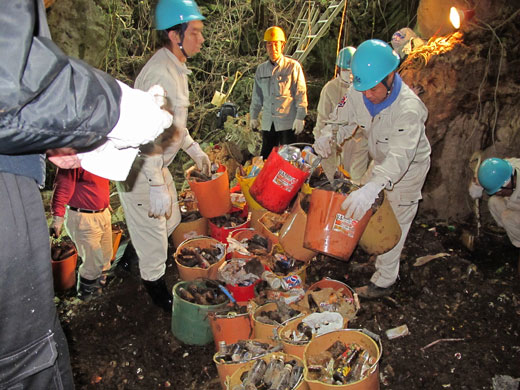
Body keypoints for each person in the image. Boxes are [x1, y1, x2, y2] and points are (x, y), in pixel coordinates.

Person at [0, 1, 172, 388]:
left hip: (91, 208)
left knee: (100, 257)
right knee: (29, 359)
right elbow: (13, 78)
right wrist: (115, 112)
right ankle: (89, 295)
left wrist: (54, 140)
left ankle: (95, 289)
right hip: (48, 206)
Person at [313, 39, 431, 299]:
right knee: (362, 206)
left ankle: (385, 279)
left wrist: (374, 187)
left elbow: (399, 158)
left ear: (390, 77)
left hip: (408, 168)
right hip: (379, 160)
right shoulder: (361, 88)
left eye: (373, 89)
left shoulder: (408, 110)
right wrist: (328, 134)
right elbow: (342, 114)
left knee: (393, 222)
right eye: (362, 88)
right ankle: (371, 249)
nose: (367, 95)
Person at [116, 0, 211, 313]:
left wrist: (193, 149)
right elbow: (149, 135)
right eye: (195, 32)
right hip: (141, 168)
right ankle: (158, 295)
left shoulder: (176, 68)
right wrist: (156, 183)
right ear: (175, 34)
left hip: (155, 164)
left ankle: (132, 256)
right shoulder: (161, 75)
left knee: (172, 218)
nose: (200, 38)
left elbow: (173, 126)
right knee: (156, 234)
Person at [50, 168, 113, 300]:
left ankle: (100, 288)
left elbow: (99, 182)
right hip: (83, 217)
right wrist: (58, 218)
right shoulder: (75, 157)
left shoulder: (99, 156)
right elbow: (63, 185)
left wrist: (104, 201)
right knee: (92, 262)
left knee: (106, 255)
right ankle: (86, 297)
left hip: (103, 213)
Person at [249, 26, 308, 159]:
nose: (273, 49)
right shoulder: (261, 70)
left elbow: (301, 93)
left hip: (288, 122)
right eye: (269, 45)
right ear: (265, 47)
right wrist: (253, 116)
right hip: (268, 123)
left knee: (290, 159)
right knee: (266, 158)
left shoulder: (293, 67)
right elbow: (257, 96)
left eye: (276, 44)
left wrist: (300, 117)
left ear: (282, 46)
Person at [313, 46, 369, 182]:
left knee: (356, 180)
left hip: (359, 142)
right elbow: (322, 119)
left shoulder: (363, 89)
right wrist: (320, 140)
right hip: (336, 142)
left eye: (351, 70)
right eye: (345, 70)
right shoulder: (330, 89)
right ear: (338, 68)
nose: (349, 74)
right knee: (336, 179)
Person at [469, 157, 520, 266]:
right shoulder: (506, 168)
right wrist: (477, 183)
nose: (498, 193)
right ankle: (512, 237)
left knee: (508, 217)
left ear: (511, 182)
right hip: (516, 201)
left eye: (500, 191)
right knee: (494, 202)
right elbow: (475, 192)